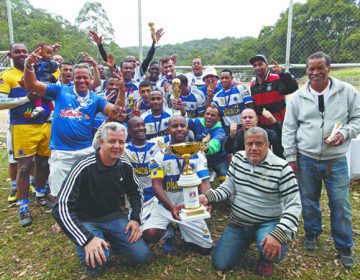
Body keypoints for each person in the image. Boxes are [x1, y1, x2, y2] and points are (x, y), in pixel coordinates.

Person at [282, 51, 360, 268]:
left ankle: (344, 245)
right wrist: (291, 157)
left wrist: (344, 133)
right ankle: (312, 233)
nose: (315, 73)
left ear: (329, 68)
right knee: (309, 200)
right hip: (306, 158)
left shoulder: (346, 91)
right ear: (307, 71)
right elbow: (289, 128)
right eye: (311, 69)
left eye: (320, 68)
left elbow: (357, 118)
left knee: (340, 203)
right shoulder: (297, 97)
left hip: (335, 160)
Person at [23, 50, 121, 208]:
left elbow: (116, 113)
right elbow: (32, 85)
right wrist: (28, 66)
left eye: (85, 77)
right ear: (73, 78)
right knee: (57, 189)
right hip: (61, 151)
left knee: (88, 189)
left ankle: (83, 213)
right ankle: (59, 216)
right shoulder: (60, 90)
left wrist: (121, 89)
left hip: (85, 151)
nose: (81, 80)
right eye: (78, 77)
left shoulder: (95, 99)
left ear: (90, 80)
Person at [52, 122, 151, 277]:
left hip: (113, 216)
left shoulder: (124, 164)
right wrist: (86, 239)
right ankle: (94, 240)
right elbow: (60, 207)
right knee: (97, 266)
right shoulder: (83, 166)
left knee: (142, 257)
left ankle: (114, 240)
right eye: (112, 141)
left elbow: (136, 191)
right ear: (102, 142)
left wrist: (136, 218)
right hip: (85, 220)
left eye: (121, 142)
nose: (117, 146)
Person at [200, 127, 301, 276]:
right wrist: (208, 196)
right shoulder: (238, 159)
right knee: (220, 263)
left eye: (259, 144)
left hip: (267, 222)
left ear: (268, 145)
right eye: (249, 143)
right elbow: (228, 187)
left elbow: (294, 204)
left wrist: (278, 234)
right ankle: (247, 240)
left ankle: (266, 258)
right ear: (245, 144)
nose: (253, 148)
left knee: (274, 253)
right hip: (239, 223)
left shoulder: (282, 168)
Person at [143, 115, 213, 255]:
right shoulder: (159, 155)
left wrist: (207, 198)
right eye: (175, 126)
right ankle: (168, 228)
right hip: (165, 205)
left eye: (182, 125)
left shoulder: (197, 153)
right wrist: (171, 207)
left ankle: (181, 228)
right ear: (168, 129)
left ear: (187, 128)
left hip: (189, 207)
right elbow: (156, 185)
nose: (179, 129)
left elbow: (205, 181)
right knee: (150, 234)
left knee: (205, 249)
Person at [0, 43, 51, 226]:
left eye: (24, 51)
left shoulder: (37, 72)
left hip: (45, 124)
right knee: (24, 167)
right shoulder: (7, 76)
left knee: (43, 162)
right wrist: (25, 99)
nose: (21, 54)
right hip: (22, 126)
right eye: (17, 51)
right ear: (10, 55)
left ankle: (40, 194)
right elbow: (1, 102)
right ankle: (23, 206)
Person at [89, 28, 164, 82]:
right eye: (129, 61)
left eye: (133, 61)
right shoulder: (119, 72)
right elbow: (107, 60)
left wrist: (154, 43)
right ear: (122, 68)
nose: (131, 63)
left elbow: (148, 59)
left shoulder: (139, 72)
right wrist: (99, 45)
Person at [249, 54, 298, 127]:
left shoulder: (276, 79)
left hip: (279, 124)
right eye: (255, 65)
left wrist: (282, 74)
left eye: (260, 64)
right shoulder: (253, 85)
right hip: (262, 126)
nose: (257, 67)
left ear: (267, 65)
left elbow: (292, 88)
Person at [188, 104, 227, 183]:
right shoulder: (198, 121)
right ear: (204, 115)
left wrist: (206, 148)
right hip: (201, 160)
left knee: (225, 183)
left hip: (218, 160)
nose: (209, 116)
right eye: (207, 114)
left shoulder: (220, 131)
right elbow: (184, 121)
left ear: (218, 119)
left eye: (213, 115)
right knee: (202, 183)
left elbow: (215, 144)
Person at [212, 68, 253, 133]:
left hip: (244, 128)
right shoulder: (217, 96)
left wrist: (245, 126)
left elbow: (250, 107)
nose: (224, 80)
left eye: (226, 78)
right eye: (222, 78)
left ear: (232, 78)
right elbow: (211, 109)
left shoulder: (241, 88)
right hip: (228, 130)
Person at [31, 42, 59, 118]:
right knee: (39, 95)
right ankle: (39, 107)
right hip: (37, 82)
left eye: (51, 53)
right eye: (47, 53)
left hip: (47, 83)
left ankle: (52, 111)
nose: (49, 55)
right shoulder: (34, 62)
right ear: (39, 52)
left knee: (47, 97)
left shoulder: (51, 63)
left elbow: (58, 71)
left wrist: (53, 76)